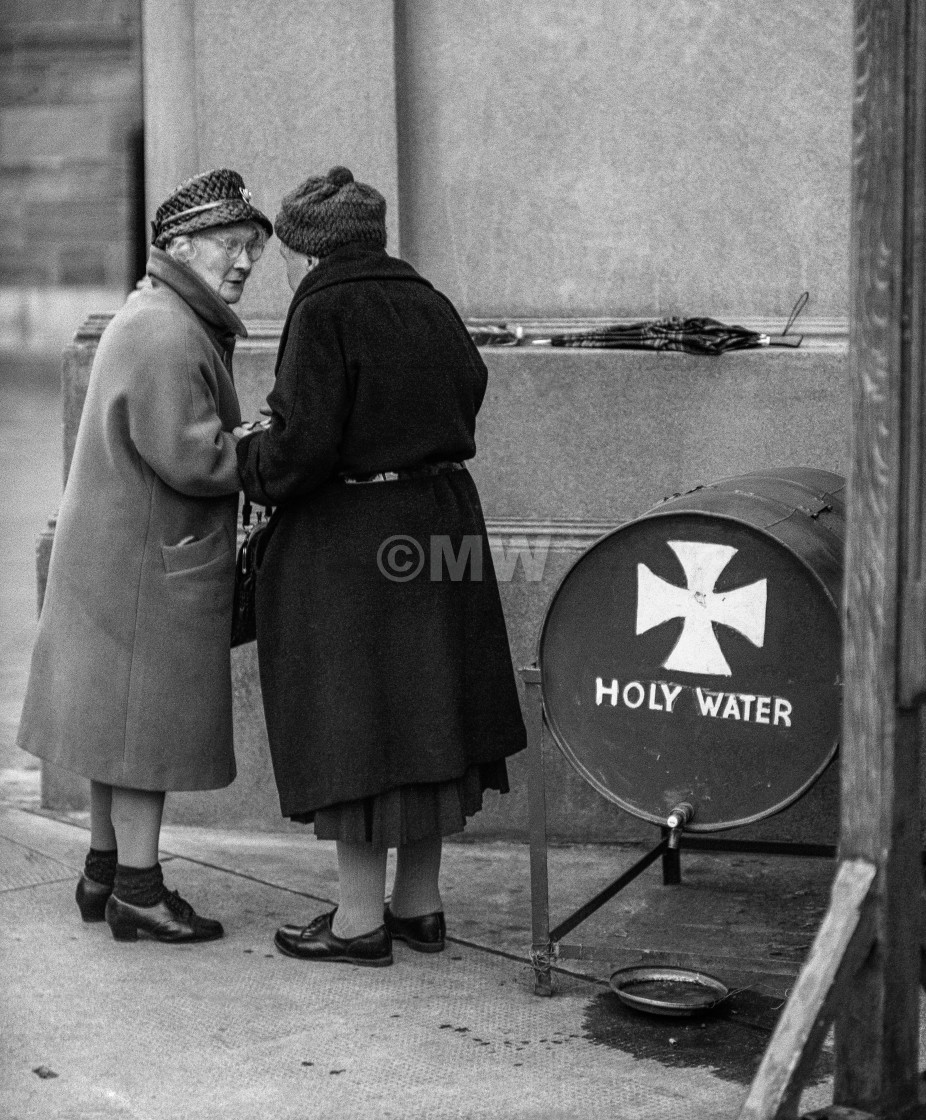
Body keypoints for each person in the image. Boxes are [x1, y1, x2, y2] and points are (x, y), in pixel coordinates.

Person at [236, 166, 527, 967]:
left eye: (286, 253)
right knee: (436, 708)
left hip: (356, 537)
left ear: (305, 248)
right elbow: (472, 386)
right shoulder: (426, 298)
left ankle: (359, 922)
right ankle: (420, 908)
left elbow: (301, 449)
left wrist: (249, 457)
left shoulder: (324, 304)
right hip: (442, 522)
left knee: (356, 718)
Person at [17, 169, 273, 943]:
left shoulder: (153, 313)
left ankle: (101, 872)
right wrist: (263, 447)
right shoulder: (168, 329)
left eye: (252, 250)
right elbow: (193, 459)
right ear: (180, 245)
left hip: (118, 560)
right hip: (146, 568)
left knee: (108, 728)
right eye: (229, 245)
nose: (242, 263)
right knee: (141, 737)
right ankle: (138, 889)